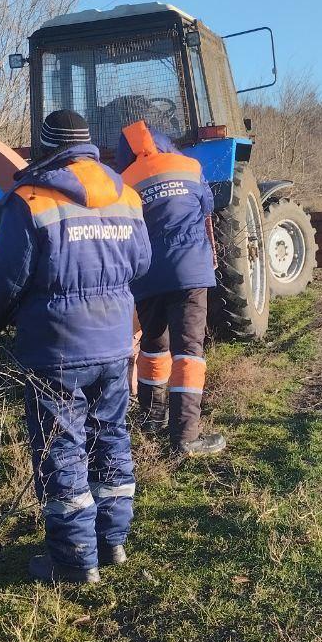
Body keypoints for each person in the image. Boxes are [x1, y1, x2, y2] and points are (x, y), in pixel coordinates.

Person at [0, 110, 151, 585]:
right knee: (110, 435)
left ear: (46, 146)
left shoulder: (29, 200)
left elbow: (7, 279)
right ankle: (112, 542)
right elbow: (142, 262)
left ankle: (74, 561)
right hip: (114, 344)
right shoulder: (127, 195)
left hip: (55, 350)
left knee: (62, 447)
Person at [115, 119, 226, 458]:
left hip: (147, 276)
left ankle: (152, 417)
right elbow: (207, 206)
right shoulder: (190, 166)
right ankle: (185, 436)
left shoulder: (123, 182)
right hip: (189, 273)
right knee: (189, 351)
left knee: (153, 345)